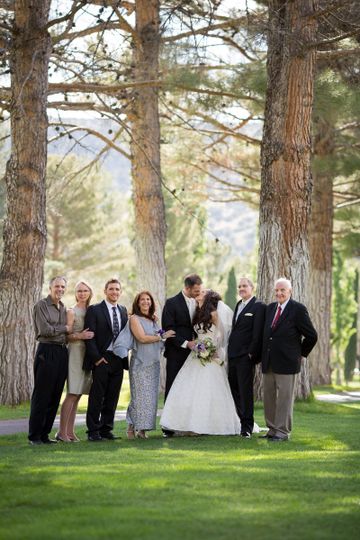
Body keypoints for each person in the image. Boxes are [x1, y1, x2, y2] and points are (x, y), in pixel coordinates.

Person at [160, 290, 241, 435]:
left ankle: (210, 424)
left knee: (208, 389)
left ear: (208, 297)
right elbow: (196, 334)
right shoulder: (197, 312)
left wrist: (213, 348)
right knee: (188, 388)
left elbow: (222, 333)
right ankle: (188, 424)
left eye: (203, 292)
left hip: (210, 355)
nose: (199, 292)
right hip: (196, 353)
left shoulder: (214, 313)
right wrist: (198, 346)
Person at [261, 278, 318, 442]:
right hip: (269, 360)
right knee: (269, 397)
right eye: (277, 290)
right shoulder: (271, 308)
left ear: (290, 291)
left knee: (284, 399)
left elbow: (312, 336)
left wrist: (301, 354)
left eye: (282, 290)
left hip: (287, 362)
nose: (279, 293)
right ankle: (272, 429)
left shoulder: (298, 309)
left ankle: (282, 432)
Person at [84, 278, 128, 442]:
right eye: (111, 289)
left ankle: (106, 429)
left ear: (120, 292)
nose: (114, 292)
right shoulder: (94, 310)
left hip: (118, 359)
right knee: (97, 397)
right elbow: (89, 337)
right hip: (102, 359)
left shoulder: (123, 310)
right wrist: (97, 359)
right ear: (105, 291)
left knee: (112, 396)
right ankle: (93, 431)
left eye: (117, 289)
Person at [126, 291, 175, 439]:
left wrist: (162, 338)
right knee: (138, 397)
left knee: (150, 399)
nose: (146, 302)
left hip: (154, 363)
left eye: (148, 299)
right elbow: (142, 338)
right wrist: (162, 336)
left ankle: (142, 430)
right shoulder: (134, 319)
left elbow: (158, 340)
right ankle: (130, 428)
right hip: (140, 363)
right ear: (137, 302)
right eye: (142, 299)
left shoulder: (154, 320)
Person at [28, 276, 70, 445]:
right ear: (50, 287)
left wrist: (60, 331)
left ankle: (45, 435)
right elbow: (45, 330)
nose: (60, 289)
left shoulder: (63, 307)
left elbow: (57, 331)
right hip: (46, 351)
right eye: (57, 286)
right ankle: (34, 436)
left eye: (62, 287)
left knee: (55, 396)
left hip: (61, 352)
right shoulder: (41, 305)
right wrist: (65, 329)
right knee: (42, 396)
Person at [56, 281, 94, 442]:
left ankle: (70, 432)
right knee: (72, 393)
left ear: (90, 292)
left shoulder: (91, 310)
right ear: (75, 293)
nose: (82, 293)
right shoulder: (71, 311)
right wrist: (80, 336)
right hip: (75, 353)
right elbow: (66, 336)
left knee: (78, 394)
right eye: (79, 291)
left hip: (87, 354)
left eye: (85, 290)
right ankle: (61, 433)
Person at [228, 277, 266, 438]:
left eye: (245, 286)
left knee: (245, 392)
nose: (241, 288)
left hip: (246, 356)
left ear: (252, 287)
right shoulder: (238, 305)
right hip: (233, 355)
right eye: (240, 286)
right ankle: (239, 421)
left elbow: (257, 333)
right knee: (234, 390)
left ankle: (247, 427)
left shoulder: (258, 306)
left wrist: (252, 353)